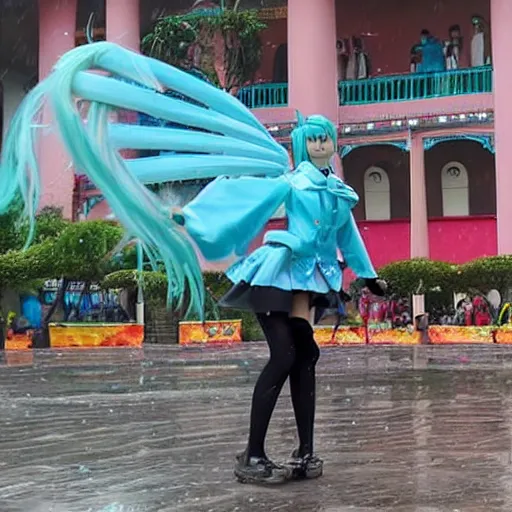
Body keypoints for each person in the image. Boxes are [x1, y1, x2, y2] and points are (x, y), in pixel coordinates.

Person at [0, 41, 385, 486]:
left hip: (310, 283)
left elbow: (348, 237)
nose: (321, 143)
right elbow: (243, 200)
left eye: (325, 137)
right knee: (284, 355)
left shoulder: (339, 191)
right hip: (278, 273)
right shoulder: (290, 182)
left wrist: (369, 275)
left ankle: (305, 450)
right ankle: (253, 454)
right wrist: (190, 215)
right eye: (313, 137)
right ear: (303, 144)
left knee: (305, 356)